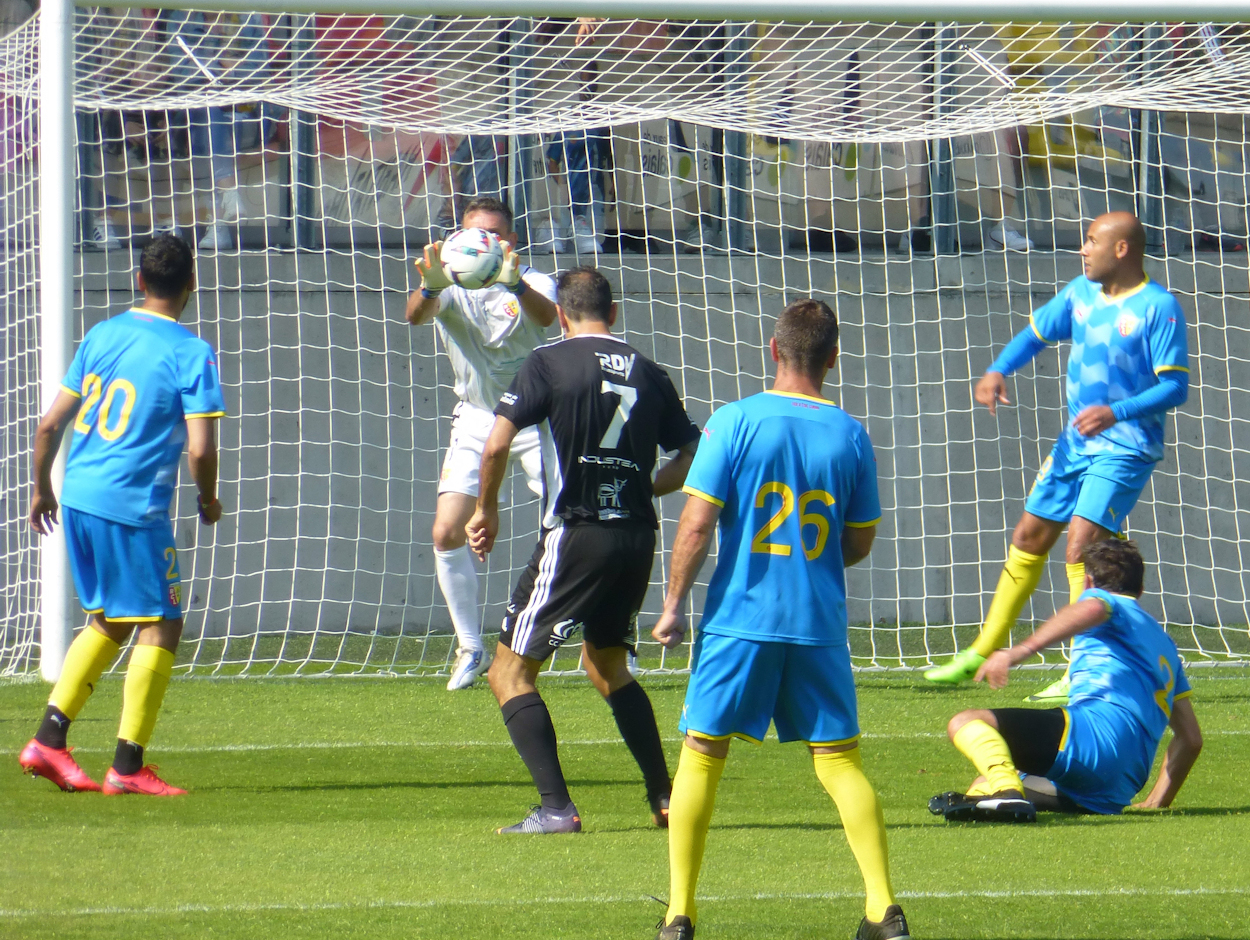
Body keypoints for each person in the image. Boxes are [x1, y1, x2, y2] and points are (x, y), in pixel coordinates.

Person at [651, 299, 910, 940]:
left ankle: (679, 913)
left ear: (774, 351)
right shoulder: (851, 433)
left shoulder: (735, 420)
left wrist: (674, 603)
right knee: (840, 762)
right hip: (817, 623)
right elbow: (859, 541)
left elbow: (697, 522)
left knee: (702, 755)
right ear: (833, 358)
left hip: (741, 618)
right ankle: (882, 908)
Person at [466, 266, 700, 835]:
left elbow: (496, 443)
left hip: (576, 532)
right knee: (607, 665)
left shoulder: (548, 361)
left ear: (563, 316)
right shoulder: (648, 370)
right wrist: (641, 485)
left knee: (509, 673)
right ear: (613, 313)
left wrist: (485, 508)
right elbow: (692, 454)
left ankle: (555, 809)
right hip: (635, 535)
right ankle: (665, 796)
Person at [925, 211, 1189, 703]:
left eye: (1091, 242)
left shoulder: (1159, 307)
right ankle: (982, 651)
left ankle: (1080, 667)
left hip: (1126, 447)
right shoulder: (1079, 294)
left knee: (1081, 546)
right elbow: (1034, 335)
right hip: (1075, 445)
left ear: (1122, 250)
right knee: (1029, 534)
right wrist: (997, 369)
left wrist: (1117, 411)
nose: (1083, 250)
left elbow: (1176, 386)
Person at [18, 234, 225, 796]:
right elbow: (201, 450)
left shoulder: (102, 334)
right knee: (163, 620)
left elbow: (47, 426)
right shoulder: (191, 351)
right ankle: (128, 768)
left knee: (110, 617)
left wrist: (41, 490)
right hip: (132, 505)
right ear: (191, 285)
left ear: (140, 281)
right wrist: (208, 500)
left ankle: (47, 742)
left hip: (79, 495)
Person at [932, 538, 1202, 822]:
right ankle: (1005, 795)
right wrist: (1155, 802)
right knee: (981, 786)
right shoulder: (1167, 647)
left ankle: (1006, 792)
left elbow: (1093, 609)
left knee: (965, 723)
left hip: (1092, 740)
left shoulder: (1102, 602)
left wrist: (1018, 651)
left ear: (1087, 582)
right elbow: (1191, 739)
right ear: (1140, 589)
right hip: (1117, 786)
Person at [405, 196, 558, 691]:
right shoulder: (449, 282)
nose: (479, 243)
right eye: (470, 234)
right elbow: (415, 316)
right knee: (446, 531)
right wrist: (429, 288)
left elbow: (547, 317)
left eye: (491, 235)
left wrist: (511, 282)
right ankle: (470, 648)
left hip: (537, 419)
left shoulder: (530, 280)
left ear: (509, 243)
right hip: (476, 416)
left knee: (578, 521)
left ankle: (611, 633)